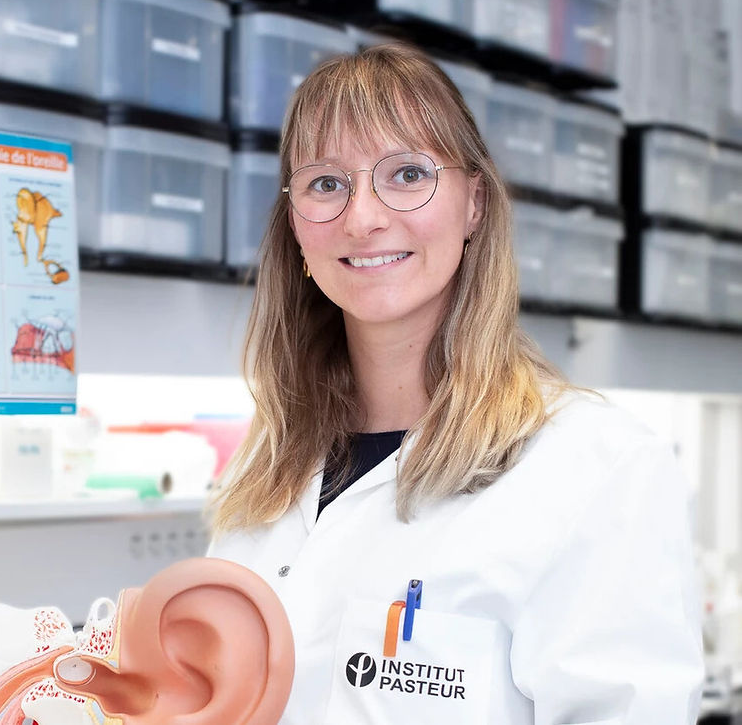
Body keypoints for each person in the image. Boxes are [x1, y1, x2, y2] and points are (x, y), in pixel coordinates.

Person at [206, 42, 703, 724]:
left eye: (407, 174)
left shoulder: (595, 467)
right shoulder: (263, 470)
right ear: (294, 225)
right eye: (326, 183)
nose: (363, 216)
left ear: (474, 203)